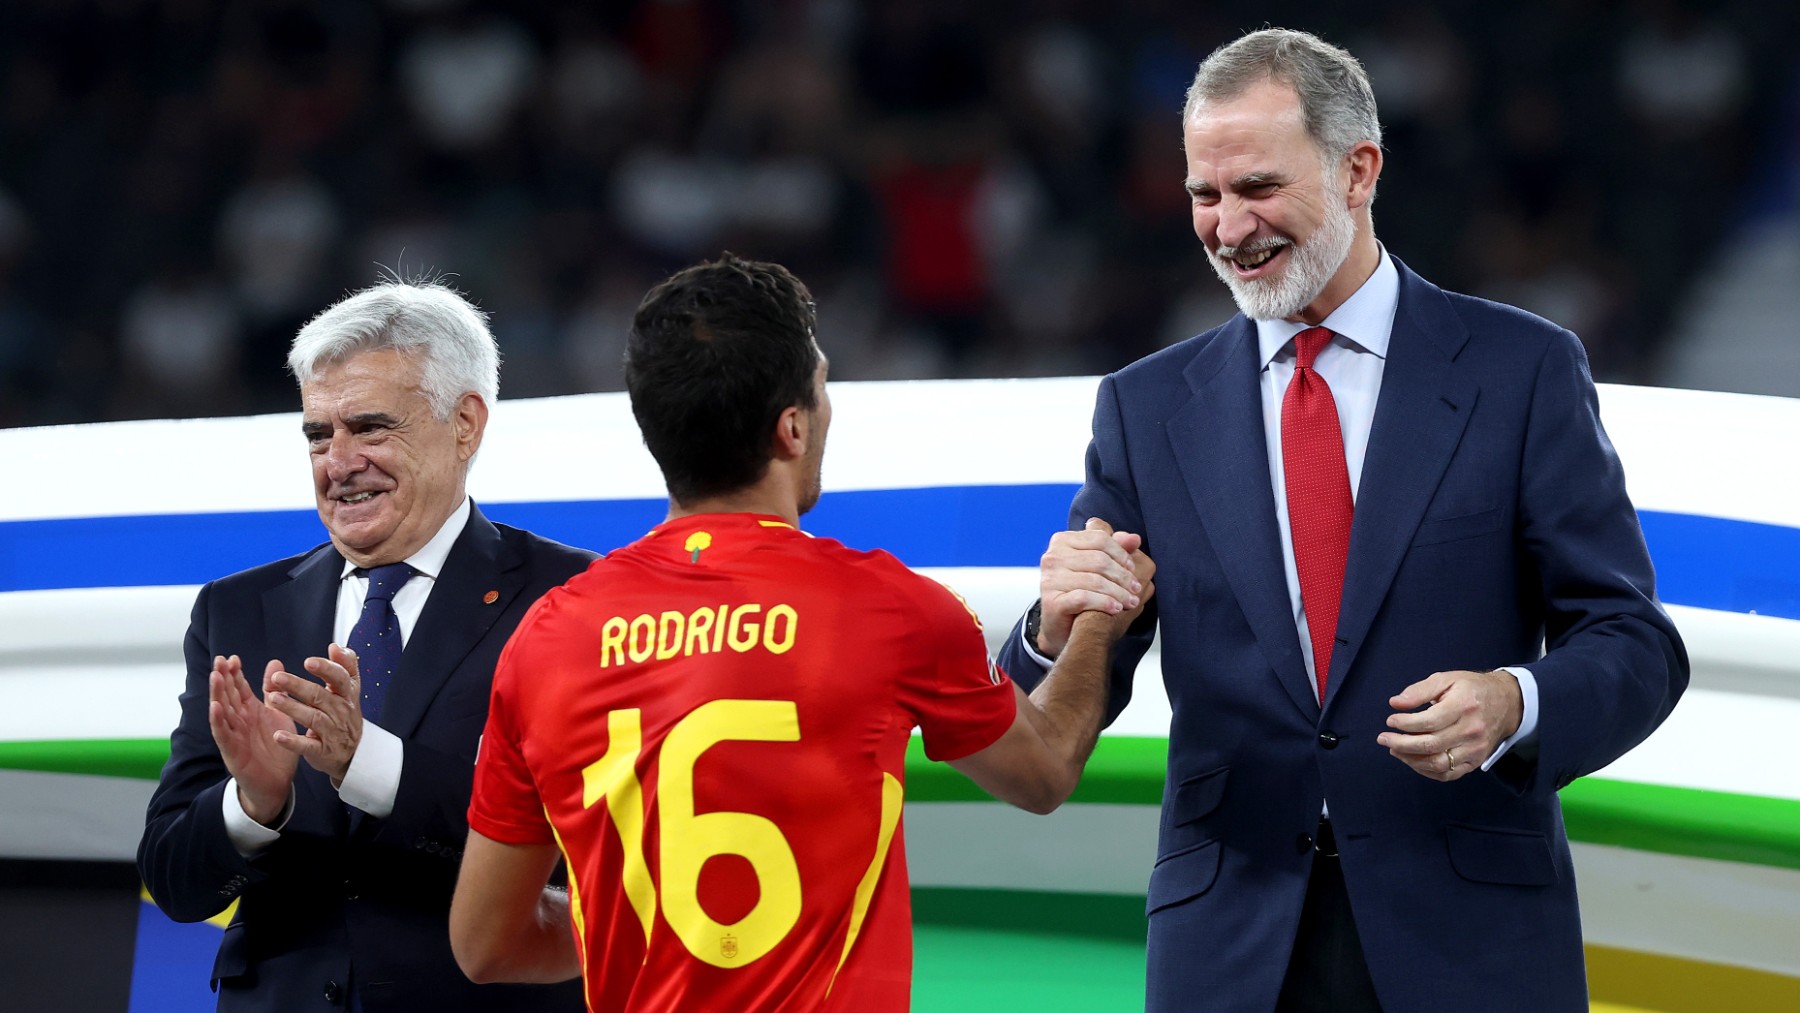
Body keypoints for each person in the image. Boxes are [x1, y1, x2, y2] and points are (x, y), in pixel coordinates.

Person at [996, 28, 1689, 1013]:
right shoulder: (1145, 410)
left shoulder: (1519, 370)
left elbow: (1634, 642)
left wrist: (1514, 701)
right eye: (1205, 194)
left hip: (1469, 941)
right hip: (1230, 948)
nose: (1228, 226)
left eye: (1258, 189)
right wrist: (1047, 625)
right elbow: (1044, 705)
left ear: (1359, 169)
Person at [447, 255, 1153, 1011]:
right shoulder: (888, 607)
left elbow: (485, 943)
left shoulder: (548, 635)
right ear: (790, 426)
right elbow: (1044, 771)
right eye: (820, 389)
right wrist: (1095, 622)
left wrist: (653, 926)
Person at [137, 280, 594, 1011]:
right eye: (318, 434)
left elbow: (585, 852)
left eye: (371, 428)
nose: (338, 462)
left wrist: (369, 763)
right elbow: (175, 881)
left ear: (466, 423)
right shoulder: (239, 610)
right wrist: (252, 804)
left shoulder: (571, 599)